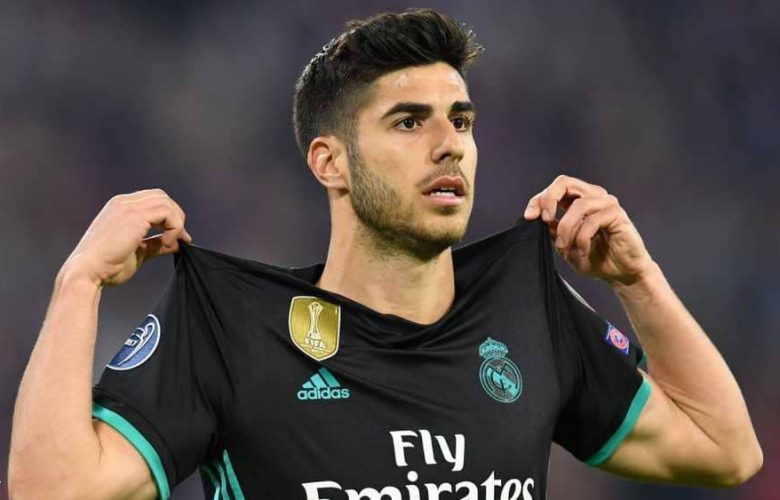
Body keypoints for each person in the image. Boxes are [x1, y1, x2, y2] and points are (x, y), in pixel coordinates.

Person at [9, 8, 762, 500]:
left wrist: (639, 281)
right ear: (329, 162)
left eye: (461, 120)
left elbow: (726, 449)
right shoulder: (232, 329)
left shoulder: (527, 310)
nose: (449, 145)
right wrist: (79, 283)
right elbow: (50, 490)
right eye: (408, 122)